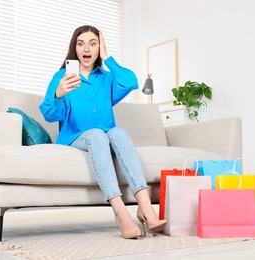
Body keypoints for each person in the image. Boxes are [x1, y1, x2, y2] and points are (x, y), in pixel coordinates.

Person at [39, 25, 166, 239]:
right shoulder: (63, 76)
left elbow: (131, 82)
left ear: (99, 47)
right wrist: (59, 94)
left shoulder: (106, 78)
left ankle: (146, 208)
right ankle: (119, 211)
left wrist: (107, 58)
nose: (86, 48)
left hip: (106, 135)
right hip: (75, 137)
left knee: (119, 133)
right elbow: (50, 114)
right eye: (81, 44)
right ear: (74, 48)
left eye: (93, 43)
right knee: (97, 134)